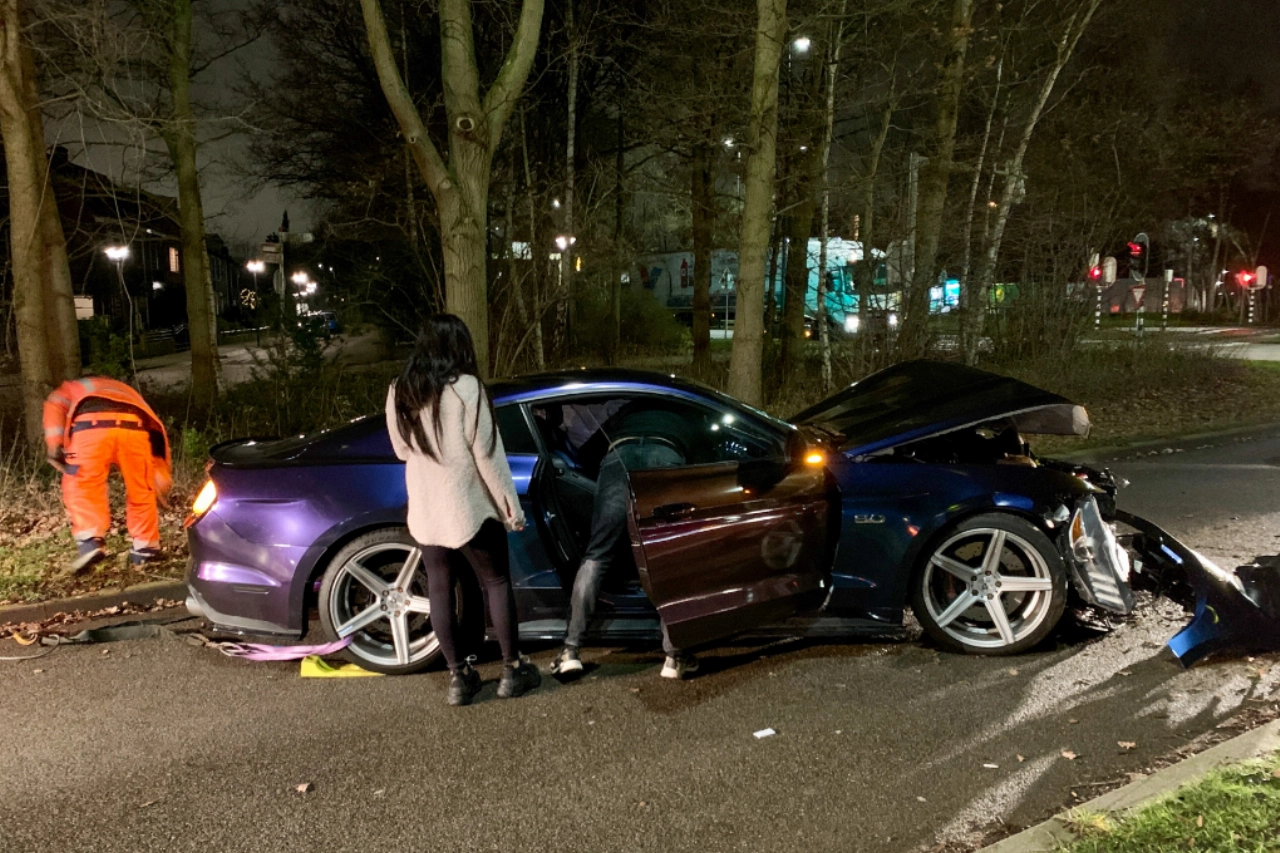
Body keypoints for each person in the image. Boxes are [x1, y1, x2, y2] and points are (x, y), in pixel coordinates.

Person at [386, 314, 540, 706]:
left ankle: (459, 678)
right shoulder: (467, 388)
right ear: (458, 347)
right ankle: (512, 669)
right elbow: (487, 455)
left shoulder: (401, 390)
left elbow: (401, 450)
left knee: (439, 586)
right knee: (496, 582)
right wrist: (510, 506)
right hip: (468, 505)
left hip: (426, 506)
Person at [550, 401, 704, 681]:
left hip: (620, 455)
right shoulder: (687, 410)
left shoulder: (625, 412)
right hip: (666, 456)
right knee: (666, 555)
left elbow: (589, 449)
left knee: (597, 554)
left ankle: (570, 652)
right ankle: (675, 656)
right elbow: (706, 460)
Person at [43, 376, 172, 572]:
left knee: (82, 485)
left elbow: (55, 403)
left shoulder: (73, 387)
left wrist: (55, 444)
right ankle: (146, 548)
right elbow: (155, 436)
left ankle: (90, 541)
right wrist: (160, 484)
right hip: (134, 428)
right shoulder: (126, 390)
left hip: (90, 428)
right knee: (141, 490)